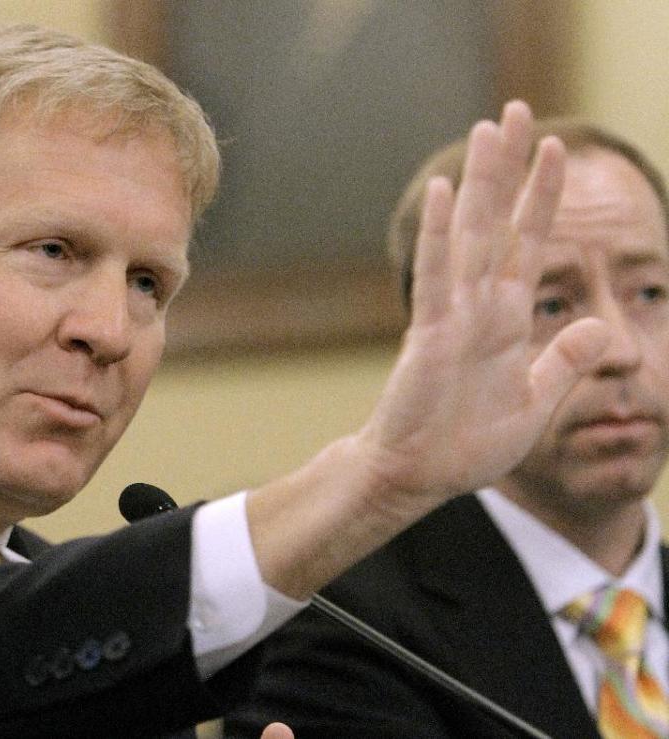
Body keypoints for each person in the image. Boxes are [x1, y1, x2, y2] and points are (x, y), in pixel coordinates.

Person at [0, 24, 612, 738]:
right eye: (54, 250)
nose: (109, 331)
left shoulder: (94, 644)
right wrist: (376, 478)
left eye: (149, 283)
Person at [223, 120, 669, 738]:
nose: (618, 348)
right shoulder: (338, 622)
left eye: (650, 292)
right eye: (551, 303)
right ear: (434, 348)